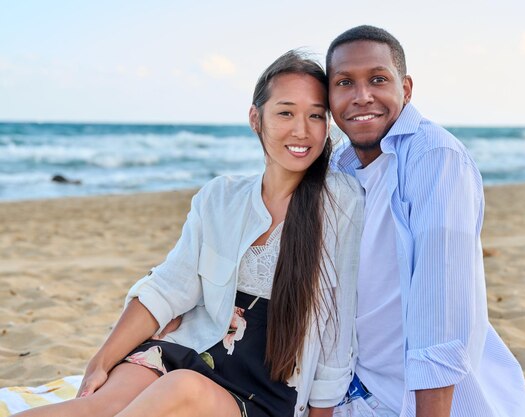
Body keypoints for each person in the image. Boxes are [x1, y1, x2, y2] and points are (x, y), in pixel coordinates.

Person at [12, 50, 363, 417]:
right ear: (255, 119)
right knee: (97, 406)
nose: (301, 130)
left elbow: (336, 330)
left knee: (182, 388)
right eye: (285, 112)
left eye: (316, 116)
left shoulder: (340, 202)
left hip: (268, 389)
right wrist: (101, 360)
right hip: (193, 349)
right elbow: (168, 286)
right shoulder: (220, 196)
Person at [326, 25, 525, 417]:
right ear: (330, 97)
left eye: (378, 79)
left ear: (406, 89)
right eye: (344, 82)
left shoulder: (434, 158)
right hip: (358, 389)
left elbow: (442, 308)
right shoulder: (340, 166)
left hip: (429, 403)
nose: (361, 95)